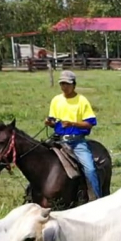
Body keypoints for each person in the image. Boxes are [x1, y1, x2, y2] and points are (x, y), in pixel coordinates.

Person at [46, 70, 104, 198]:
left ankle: (96, 198)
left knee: (90, 169)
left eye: (67, 84)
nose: (64, 87)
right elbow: (53, 120)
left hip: (77, 142)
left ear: (74, 85)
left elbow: (90, 123)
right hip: (58, 141)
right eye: (62, 84)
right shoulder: (56, 100)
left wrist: (72, 124)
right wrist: (49, 122)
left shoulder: (81, 101)